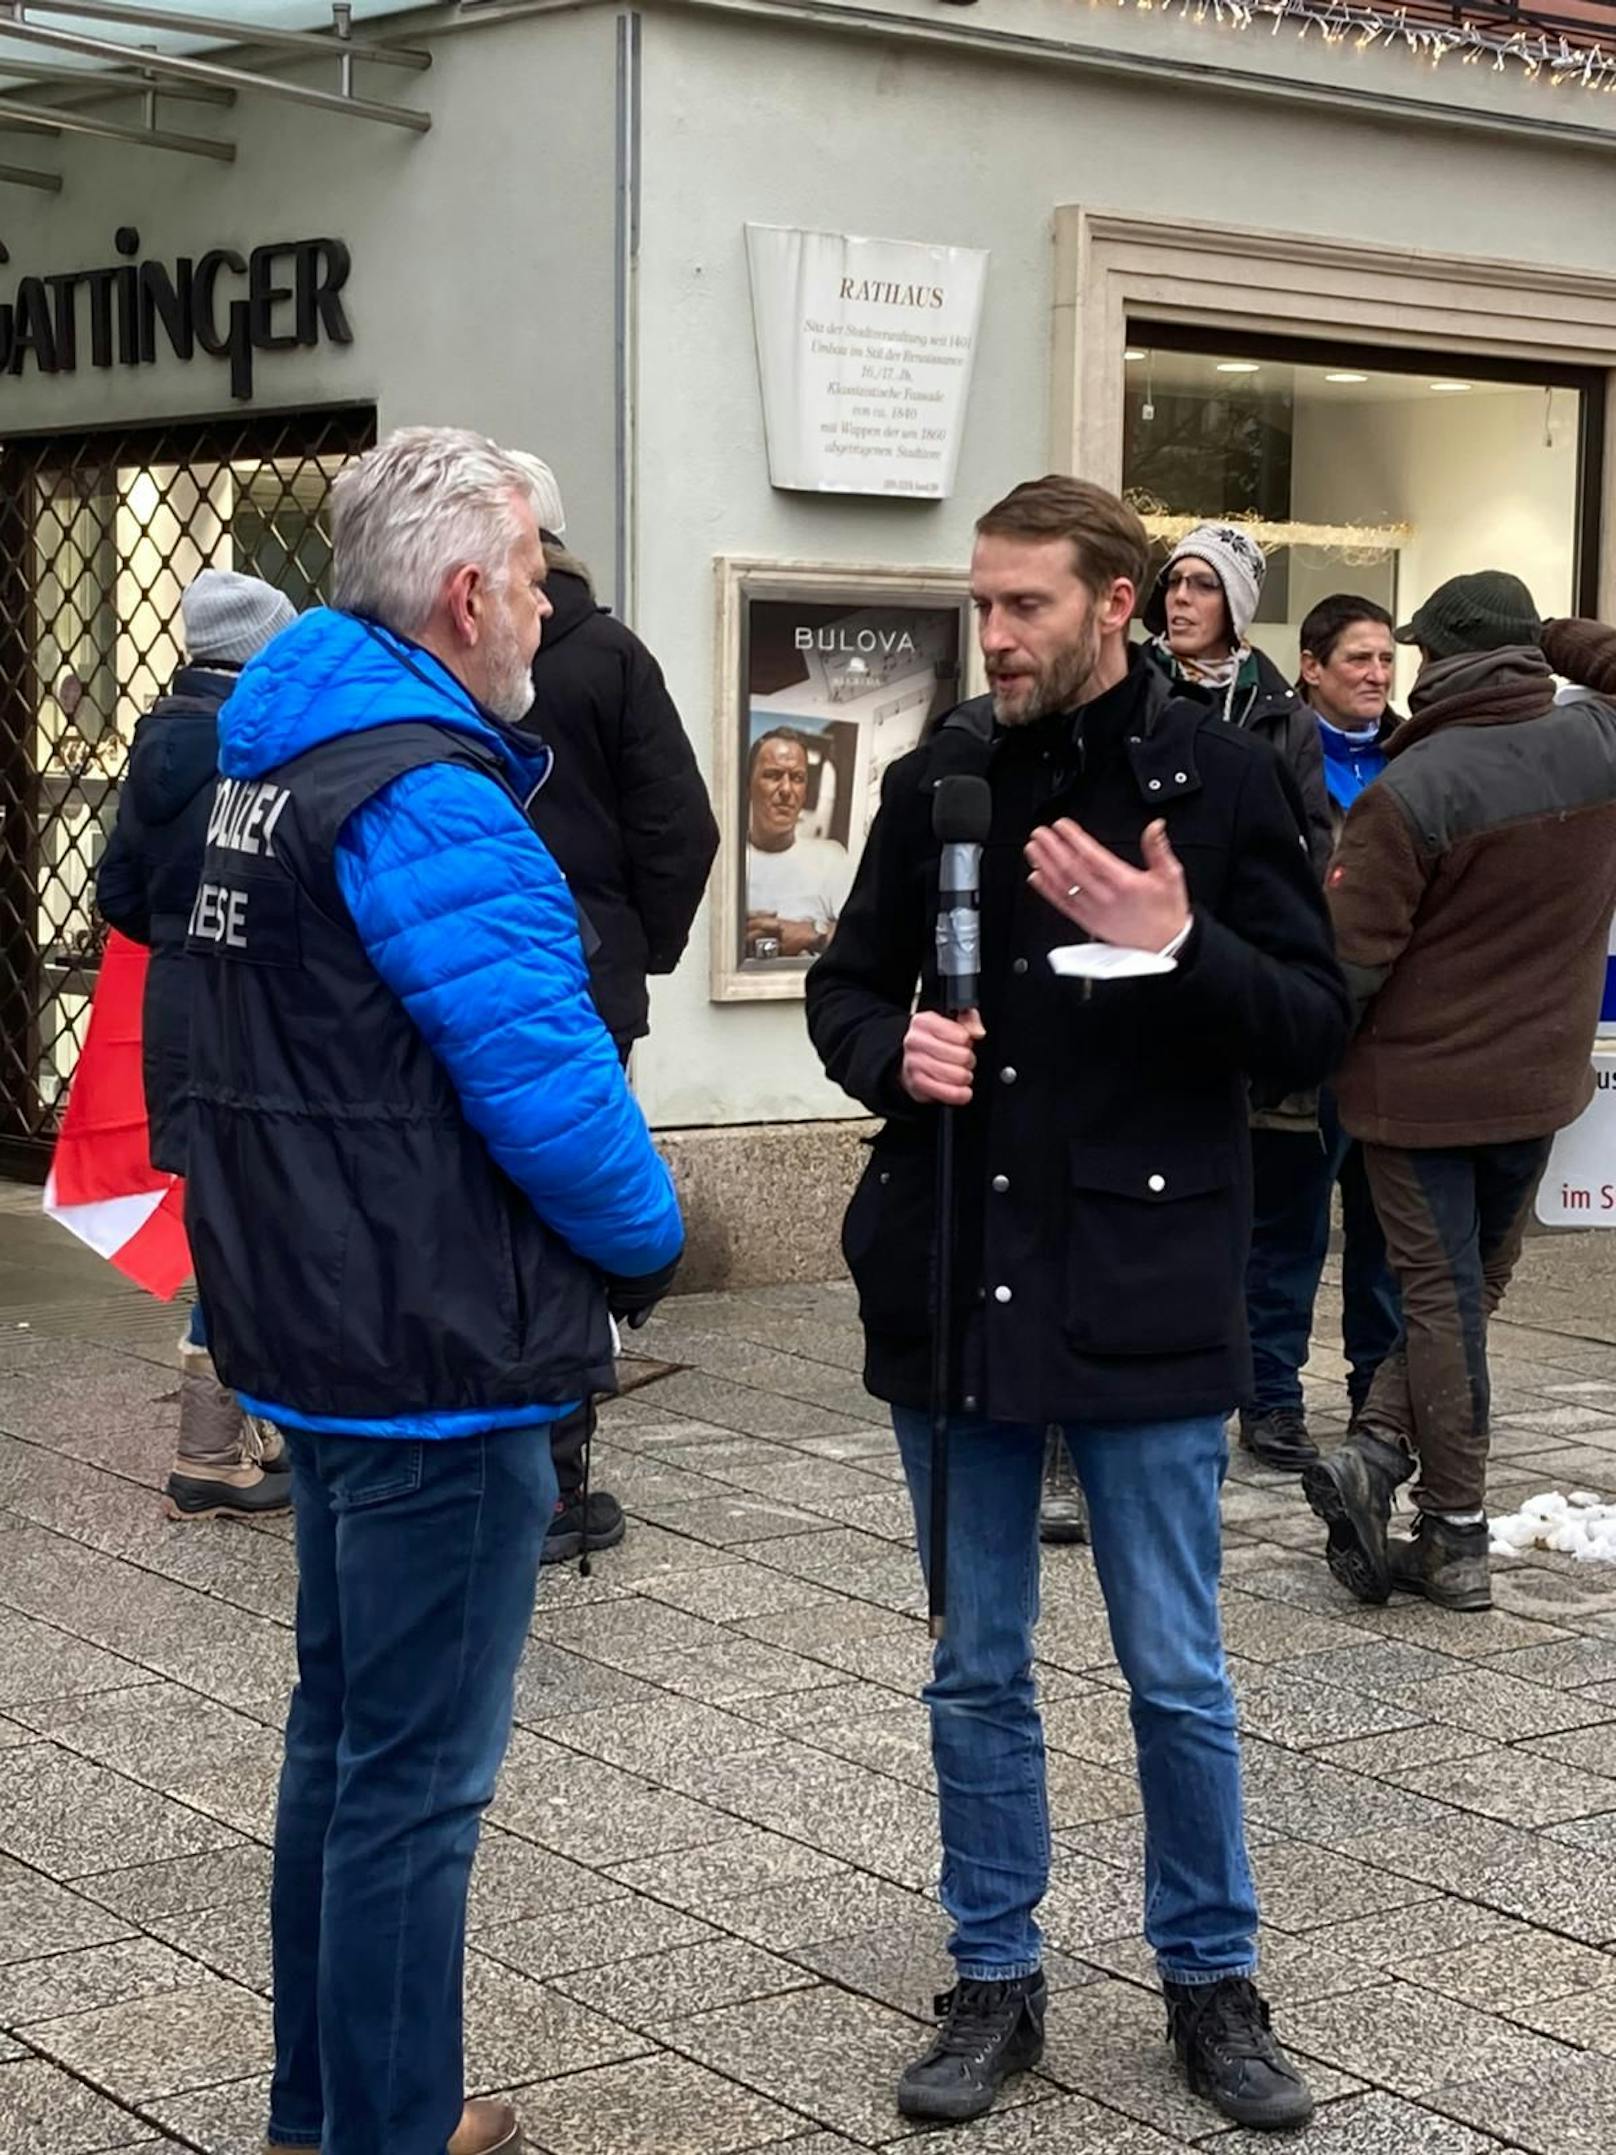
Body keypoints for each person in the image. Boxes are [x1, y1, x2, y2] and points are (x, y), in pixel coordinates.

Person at [807, 474, 1346, 2132]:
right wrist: (887, 1050)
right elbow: (843, 986)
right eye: (981, 603)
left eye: (1024, 603)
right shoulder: (938, 778)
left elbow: (1316, 1026)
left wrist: (1182, 940)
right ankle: (994, 1976)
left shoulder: (1230, 781)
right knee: (975, 1661)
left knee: (1174, 1666)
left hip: (1140, 1279)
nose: (996, 633)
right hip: (955, 1276)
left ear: (1120, 604)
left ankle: (1211, 1980)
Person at [180, 428, 684, 2155]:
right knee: (412, 1786)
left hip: (323, 1322)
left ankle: (327, 2114)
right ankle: (385, 2133)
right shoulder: (428, 794)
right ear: (470, 592)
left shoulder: (277, 760)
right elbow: (549, 1086)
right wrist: (649, 1245)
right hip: (436, 1346)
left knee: (345, 1749)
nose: (547, 599)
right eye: (536, 568)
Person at [1303, 573, 1616, 1615]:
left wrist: (1292, 1065)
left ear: (1443, 658)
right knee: (1471, 1287)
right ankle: (1378, 1455)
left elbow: (1348, 966)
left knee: (1440, 1296)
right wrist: (1560, 639)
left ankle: (1453, 1532)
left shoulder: (1413, 784)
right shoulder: (1595, 745)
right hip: (1535, 1086)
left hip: (1416, 1094)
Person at [506, 453, 719, 1567]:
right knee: (567, 1213)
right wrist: (634, 949)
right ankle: (551, 1470)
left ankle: (533, 1467)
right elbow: (678, 829)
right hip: (587, 981)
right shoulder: (610, 655)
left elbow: (678, 830)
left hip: (548, 974)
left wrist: (636, 948)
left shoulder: (561, 655)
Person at [96, 566, 297, 1521]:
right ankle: (210, 1448)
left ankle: (242, 1427)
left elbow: (116, 896)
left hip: (177, 999)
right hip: (246, 1000)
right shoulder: (255, 743)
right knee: (253, 1217)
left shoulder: (156, 743)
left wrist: (179, 931)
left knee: (224, 1210)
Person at [1237, 598, 1404, 1472]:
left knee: (1385, 1235)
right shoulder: (1271, 752)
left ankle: (1377, 1399)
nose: (1376, 676)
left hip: (1395, 1041)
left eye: (1385, 659)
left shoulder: (1416, 756)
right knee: (1289, 1230)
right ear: (1310, 666)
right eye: (1358, 660)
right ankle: (1269, 1396)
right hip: (1304, 1037)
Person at [1140, 522, 1332, 865]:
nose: (1181, 596)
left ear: (1235, 605)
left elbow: (1310, 845)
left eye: (1204, 585)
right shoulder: (1127, 687)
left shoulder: (1285, 714)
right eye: (1173, 581)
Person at [745, 728, 853, 958]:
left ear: (805, 793)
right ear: (748, 786)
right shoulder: (726, 864)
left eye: (797, 778)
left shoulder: (831, 859)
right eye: (773, 775)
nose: (786, 790)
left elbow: (867, 937)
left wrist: (813, 934)